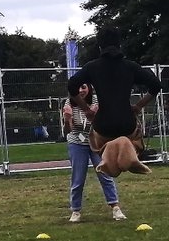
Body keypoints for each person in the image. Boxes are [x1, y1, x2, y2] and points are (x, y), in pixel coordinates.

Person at [66, 27, 162, 175]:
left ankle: (107, 156)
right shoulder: (130, 67)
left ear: (100, 46)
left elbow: (72, 86)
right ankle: (132, 152)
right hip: (126, 123)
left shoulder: (93, 67)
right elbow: (156, 85)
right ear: (120, 45)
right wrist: (138, 106)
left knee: (96, 139)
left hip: (103, 125)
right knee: (135, 135)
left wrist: (86, 109)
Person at [62, 85, 125, 223]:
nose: (80, 91)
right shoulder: (69, 103)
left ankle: (115, 207)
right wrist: (67, 120)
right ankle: (76, 210)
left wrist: (98, 117)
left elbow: (105, 123)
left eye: (83, 87)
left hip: (96, 142)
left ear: (89, 88)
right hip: (77, 143)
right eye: (77, 88)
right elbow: (68, 130)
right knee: (78, 178)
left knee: (105, 173)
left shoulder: (97, 100)